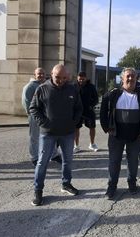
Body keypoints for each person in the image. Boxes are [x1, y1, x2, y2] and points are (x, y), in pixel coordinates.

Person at [29, 64, 83, 206]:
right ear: (51, 74)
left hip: (67, 133)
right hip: (48, 134)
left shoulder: (72, 89)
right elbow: (33, 108)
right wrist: (44, 123)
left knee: (68, 161)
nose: (60, 81)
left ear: (68, 77)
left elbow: (79, 108)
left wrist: (74, 122)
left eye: (64, 78)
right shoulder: (42, 89)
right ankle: (38, 190)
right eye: (57, 77)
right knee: (42, 162)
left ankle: (66, 184)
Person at [100, 68, 140, 200]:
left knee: (133, 162)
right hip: (116, 136)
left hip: (135, 136)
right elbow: (103, 112)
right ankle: (112, 186)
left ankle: (132, 183)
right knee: (114, 162)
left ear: (137, 78)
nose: (130, 79)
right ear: (122, 78)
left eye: (133, 77)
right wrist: (107, 128)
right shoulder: (112, 95)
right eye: (128, 76)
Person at [22, 67, 62, 166]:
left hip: (47, 117)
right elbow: (26, 101)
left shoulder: (47, 85)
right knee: (34, 137)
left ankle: (54, 155)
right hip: (35, 116)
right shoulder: (29, 87)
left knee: (51, 136)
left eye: (43, 73)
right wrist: (32, 114)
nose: (41, 75)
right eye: (39, 74)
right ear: (34, 75)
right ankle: (34, 157)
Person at [74, 71, 99, 153]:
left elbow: (96, 99)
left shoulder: (91, 86)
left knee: (92, 127)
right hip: (77, 111)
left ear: (86, 78)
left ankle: (92, 144)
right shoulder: (74, 86)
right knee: (76, 128)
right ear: (77, 78)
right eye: (80, 79)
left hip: (88, 110)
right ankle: (76, 146)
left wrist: (91, 106)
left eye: (83, 79)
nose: (81, 81)